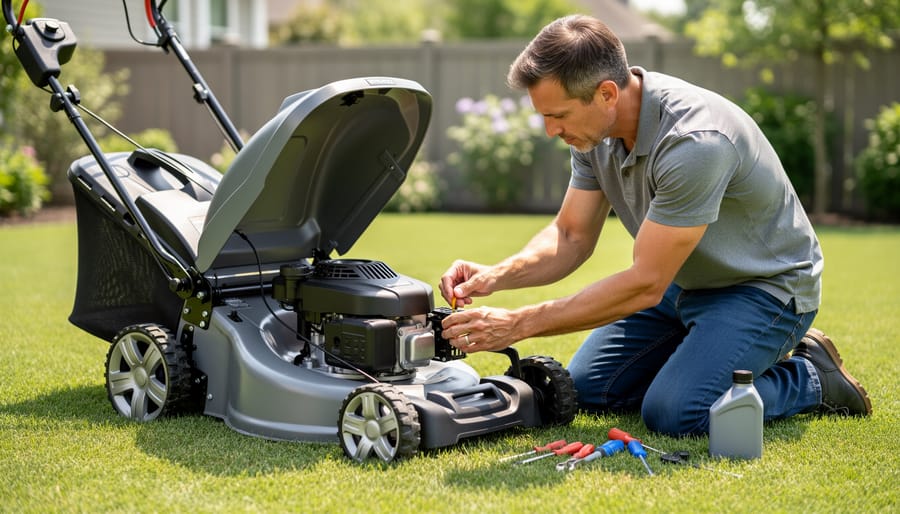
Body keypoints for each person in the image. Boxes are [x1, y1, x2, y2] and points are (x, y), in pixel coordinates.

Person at [438, 14, 871, 436]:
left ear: (607, 93)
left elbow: (645, 282)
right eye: (545, 116)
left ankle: (812, 378)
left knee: (676, 412)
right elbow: (570, 235)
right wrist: (497, 275)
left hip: (763, 290)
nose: (551, 131)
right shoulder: (594, 134)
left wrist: (519, 323)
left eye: (559, 115)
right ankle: (704, 361)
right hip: (681, 286)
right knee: (589, 388)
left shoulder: (694, 142)